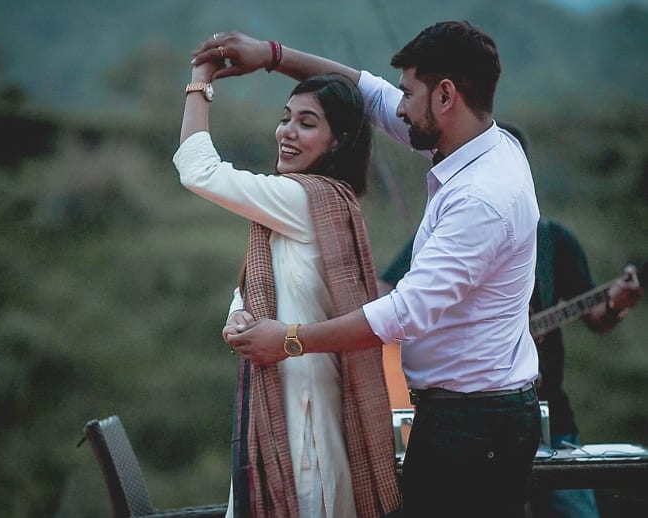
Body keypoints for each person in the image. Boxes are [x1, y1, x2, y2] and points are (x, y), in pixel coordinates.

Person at [195, 21, 543, 517]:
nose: (399, 107)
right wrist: (272, 55)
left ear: (445, 97)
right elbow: (370, 95)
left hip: (474, 426)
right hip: (466, 417)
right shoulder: (480, 144)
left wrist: (291, 339)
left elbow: (406, 313)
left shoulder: (483, 198)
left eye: (409, 93)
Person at [377, 124, 645, 518]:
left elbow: (598, 319)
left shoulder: (556, 240)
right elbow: (388, 293)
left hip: (550, 416)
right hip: (468, 417)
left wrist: (620, 302)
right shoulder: (459, 221)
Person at [173, 60, 401, 517]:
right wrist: (238, 318)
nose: (287, 132)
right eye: (285, 118)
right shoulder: (320, 201)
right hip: (300, 399)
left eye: (307, 123)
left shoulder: (303, 198)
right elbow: (269, 283)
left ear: (338, 141)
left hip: (306, 415)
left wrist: (200, 80)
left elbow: (198, 171)